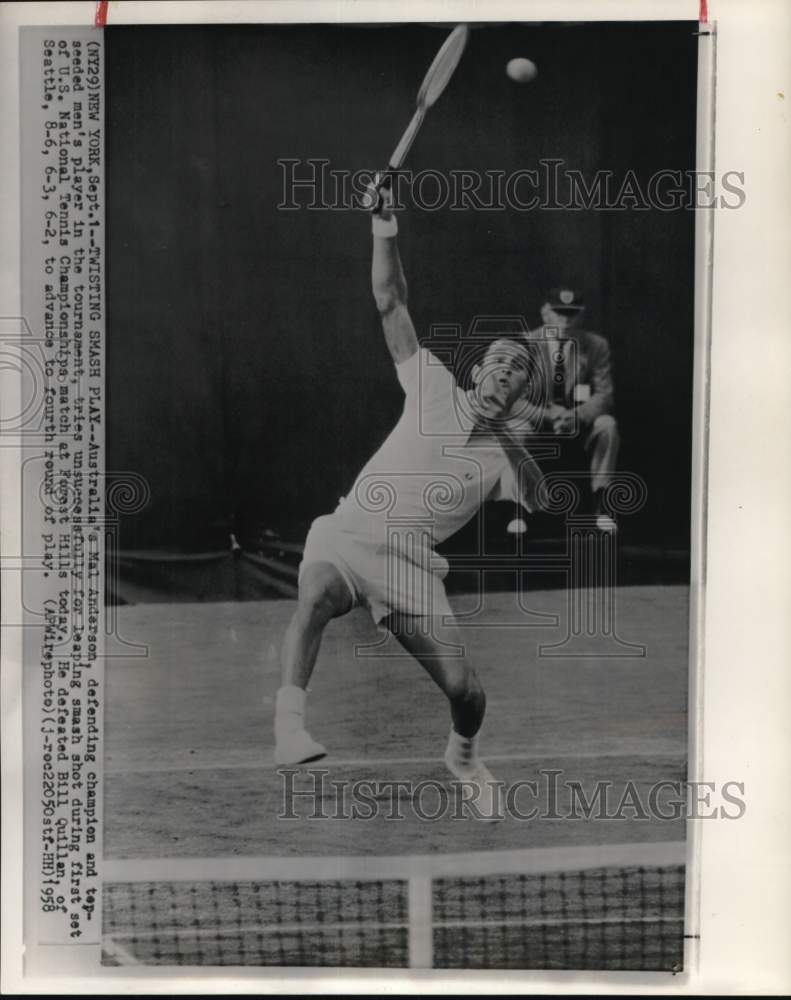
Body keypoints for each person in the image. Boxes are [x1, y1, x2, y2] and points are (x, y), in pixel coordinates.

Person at [272, 188, 544, 818]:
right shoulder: (431, 383)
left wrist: (506, 431)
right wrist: (383, 226)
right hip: (350, 532)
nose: (505, 373)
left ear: (521, 390)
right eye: (498, 363)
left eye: (518, 372)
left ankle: (464, 756)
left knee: (464, 691)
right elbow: (390, 300)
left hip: (409, 566)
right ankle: (289, 727)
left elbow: (539, 496)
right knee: (313, 596)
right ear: (477, 371)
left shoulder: (509, 451)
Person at [524, 288, 619, 533]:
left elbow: (604, 395)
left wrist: (575, 416)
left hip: (579, 425)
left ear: (581, 317)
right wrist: (549, 416)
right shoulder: (526, 343)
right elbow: (515, 400)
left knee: (607, 425)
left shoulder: (596, 346)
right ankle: (519, 510)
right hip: (540, 425)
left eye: (572, 314)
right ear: (546, 314)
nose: (565, 321)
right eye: (559, 313)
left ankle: (602, 507)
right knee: (515, 429)